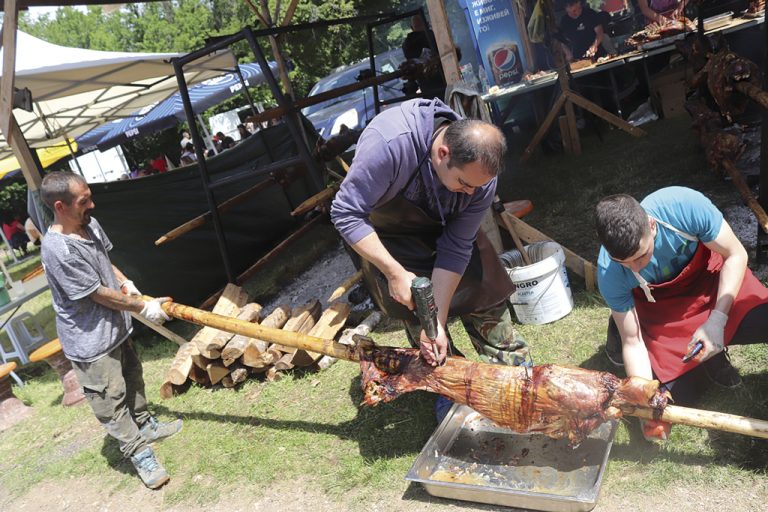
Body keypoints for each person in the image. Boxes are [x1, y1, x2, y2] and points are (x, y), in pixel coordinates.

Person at [330, 98, 528, 411]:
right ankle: (451, 395)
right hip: (394, 243)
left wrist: (437, 314)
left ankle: (523, 386)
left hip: (449, 233)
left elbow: (457, 245)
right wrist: (394, 273)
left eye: (478, 187)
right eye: (463, 184)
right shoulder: (389, 145)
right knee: (425, 334)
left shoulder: (479, 176)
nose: (471, 194)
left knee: (489, 309)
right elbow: (345, 213)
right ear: (442, 153)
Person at [40, 171, 182, 489]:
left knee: (132, 379)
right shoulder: (58, 250)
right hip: (90, 341)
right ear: (60, 206)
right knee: (110, 401)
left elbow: (107, 260)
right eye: (84, 200)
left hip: (115, 327)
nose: (92, 203)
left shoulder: (88, 222)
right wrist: (143, 306)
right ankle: (139, 454)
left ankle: (145, 425)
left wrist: (124, 282)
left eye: (90, 195)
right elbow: (97, 294)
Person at [595, 187, 768, 441]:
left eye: (642, 255)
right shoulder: (608, 272)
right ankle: (705, 362)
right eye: (625, 262)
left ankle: (713, 351)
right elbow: (633, 342)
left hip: (713, 286)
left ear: (652, 226)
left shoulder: (684, 206)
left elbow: (736, 254)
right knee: (665, 409)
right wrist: (645, 404)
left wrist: (717, 320)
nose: (635, 266)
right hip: (665, 314)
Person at [401, 15, 448, 100]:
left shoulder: (406, 44)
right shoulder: (434, 36)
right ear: (427, 24)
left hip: (427, 87)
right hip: (442, 81)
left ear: (412, 28)